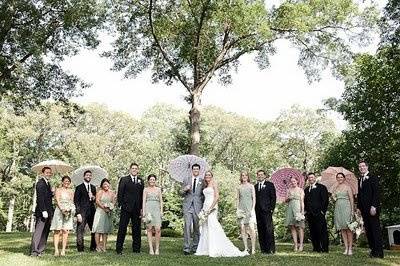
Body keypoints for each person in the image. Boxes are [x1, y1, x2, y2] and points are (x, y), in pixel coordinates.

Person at [195, 171, 248, 257]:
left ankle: (215, 248)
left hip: (212, 206)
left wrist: (211, 208)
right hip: (205, 206)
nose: (207, 176)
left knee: (212, 225)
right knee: (205, 227)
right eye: (206, 175)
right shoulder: (205, 185)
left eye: (209, 175)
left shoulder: (214, 183)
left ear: (212, 176)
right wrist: (204, 209)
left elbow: (217, 197)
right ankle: (205, 249)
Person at [357, 160, 384, 258]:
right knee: (368, 230)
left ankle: (379, 252)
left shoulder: (373, 178)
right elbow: (360, 196)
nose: (361, 168)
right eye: (360, 166)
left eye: (363, 166)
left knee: (375, 230)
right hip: (364, 210)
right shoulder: (360, 179)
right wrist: (359, 208)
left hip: (372, 209)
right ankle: (373, 250)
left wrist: (374, 206)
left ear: (367, 167)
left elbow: (376, 193)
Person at [116, 163, 144, 254]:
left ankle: (136, 249)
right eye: (133, 168)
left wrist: (141, 208)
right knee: (122, 228)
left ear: (138, 170)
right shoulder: (124, 179)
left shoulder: (141, 181)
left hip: (136, 209)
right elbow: (120, 193)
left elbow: (142, 195)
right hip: (126, 208)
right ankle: (119, 249)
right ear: (130, 169)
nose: (134, 170)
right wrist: (122, 205)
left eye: (136, 168)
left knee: (136, 229)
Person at [30, 167, 54, 257]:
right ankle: (34, 251)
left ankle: (40, 250)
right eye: (47, 172)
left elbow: (46, 197)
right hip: (42, 212)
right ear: (43, 173)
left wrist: (52, 193)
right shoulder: (40, 183)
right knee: (39, 231)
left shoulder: (48, 184)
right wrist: (43, 210)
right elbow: (40, 198)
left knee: (45, 231)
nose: (49, 174)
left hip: (49, 211)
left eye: (50, 173)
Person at [182, 164, 204, 255]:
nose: (195, 170)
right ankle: (186, 248)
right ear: (192, 170)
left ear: (199, 171)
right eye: (194, 169)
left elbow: (204, 194)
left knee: (196, 227)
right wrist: (185, 189)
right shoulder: (186, 179)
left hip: (197, 206)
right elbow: (180, 192)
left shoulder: (202, 181)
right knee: (187, 227)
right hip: (187, 206)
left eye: (197, 169)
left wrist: (202, 203)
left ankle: (195, 247)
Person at [304, 172, 329, 253]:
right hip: (310, 214)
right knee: (313, 231)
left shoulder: (322, 187)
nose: (310, 179)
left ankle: (325, 248)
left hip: (319, 213)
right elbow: (305, 201)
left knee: (322, 231)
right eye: (309, 178)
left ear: (315, 178)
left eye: (312, 177)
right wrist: (306, 211)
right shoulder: (306, 189)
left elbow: (325, 200)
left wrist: (322, 211)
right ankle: (316, 248)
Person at [50, 175, 75, 256]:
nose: (67, 183)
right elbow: (57, 200)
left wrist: (69, 209)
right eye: (65, 181)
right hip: (59, 211)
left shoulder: (71, 191)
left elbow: (72, 201)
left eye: (68, 181)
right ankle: (56, 250)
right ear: (62, 182)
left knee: (65, 230)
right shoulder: (58, 190)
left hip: (68, 211)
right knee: (57, 230)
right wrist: (62, 209)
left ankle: (63, 250)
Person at [254, 170, 276, 254]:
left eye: (261, 175)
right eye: (258, 175)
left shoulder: (270, 185)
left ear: (265, 176)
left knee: (268, 230)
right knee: (260, 229)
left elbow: (273, 198)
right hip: (257, 211)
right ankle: (263, 249)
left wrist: (271, 209)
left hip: (267, 211)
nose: (260, 176)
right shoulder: (255, 186)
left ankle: (270, 249)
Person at [74, 170, 97, 252]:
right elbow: (76, 201)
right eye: (87, 175)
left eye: (90, 175)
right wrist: (78, 213)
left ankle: (93, 247)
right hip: (82, 212)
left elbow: (95, 201)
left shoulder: (93, 188)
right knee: (80, 230)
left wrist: (93, 197)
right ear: (84, 176)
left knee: (94, 229)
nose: (88, 176)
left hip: (92, 212)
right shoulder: (79, 187)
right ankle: (80, 248)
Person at [332, 172, 354, 255]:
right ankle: (346, 248)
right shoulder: (336, 187)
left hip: (347, 207)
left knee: (348, 228)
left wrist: (352, 210)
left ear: (344, 178)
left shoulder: (348, 187)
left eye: (341, 177)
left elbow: (351, 199)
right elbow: (335, 199)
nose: (339, 178)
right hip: (338, 208)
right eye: (338, 177)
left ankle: (350, 248)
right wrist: (333, 197)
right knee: (342, 229)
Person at [92, 178, 116, 252]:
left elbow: (113, 202)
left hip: (108, 213)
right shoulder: (100, 192)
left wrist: (110, 207)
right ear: (102, 185)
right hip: (100, 212)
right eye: (104, 184)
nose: (106, 185)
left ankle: (104, 247)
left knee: (105, 230)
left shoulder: (112, 192)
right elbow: (97, 201)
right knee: (98, 230)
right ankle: (98, 246)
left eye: (107, 184)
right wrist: (104, 208)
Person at [142, 174, 163, 255]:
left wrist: (161, 211)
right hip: (148, 209)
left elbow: (161, 201)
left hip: (157, 209)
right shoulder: (145, 189)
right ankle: (151, 249)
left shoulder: (158, 189)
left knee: (158, 229)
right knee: (149, 229)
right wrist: (144, 212)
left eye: (153, 179)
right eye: (151, 179)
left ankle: (157, 248)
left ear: (155, 181)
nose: (152, 181)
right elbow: (143, 201)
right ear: (148, 180)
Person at [236, 171, 257, 254]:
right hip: (241, 209)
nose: (244, 176)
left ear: (248, 177)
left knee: (251, 228)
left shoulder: (251, 186)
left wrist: (252, 209)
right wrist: (237, 209)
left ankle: (253, 248)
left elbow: (254, 198)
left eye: (245, 175)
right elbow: (238, 199)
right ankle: (246, 248)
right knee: (242, 228)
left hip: (250, 209)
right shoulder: (239, 187)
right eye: (242, 175)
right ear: (241, 177)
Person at [285, 176, 305, 252]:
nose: (293, 182)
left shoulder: (301, 190)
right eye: (291, 181)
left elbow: (302, 201)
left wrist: (302, 211)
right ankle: (295, 245)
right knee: (292, 226)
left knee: (300, 227)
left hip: (298, 208)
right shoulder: (288, 190)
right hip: (290, 208)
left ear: (297, 181)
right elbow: (285, 200)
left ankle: (301, 245)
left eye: (294, 181)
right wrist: (289, 198)